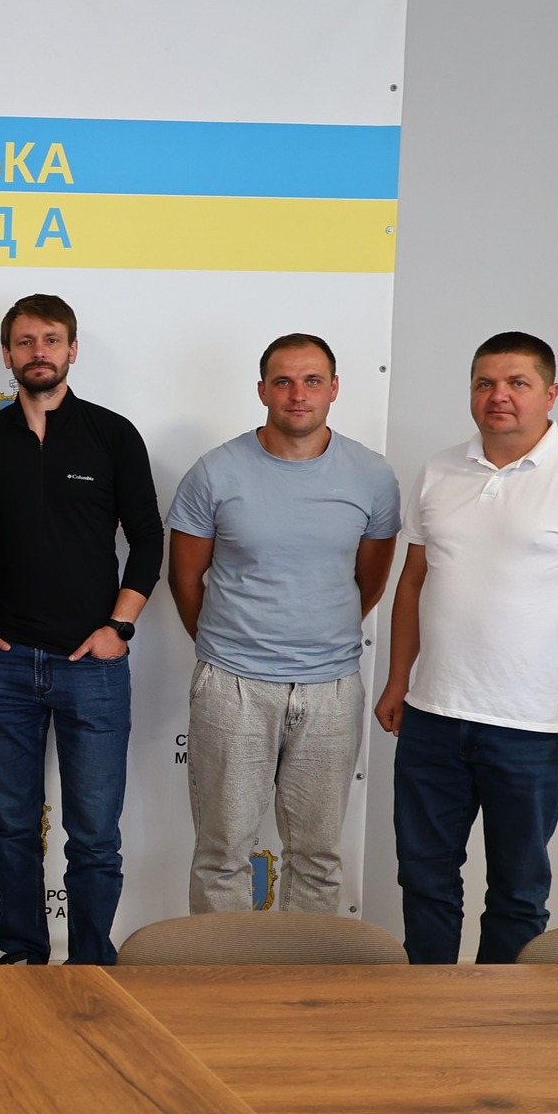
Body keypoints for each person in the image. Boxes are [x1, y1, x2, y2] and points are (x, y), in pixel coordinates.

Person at [376, 332, 558, 964]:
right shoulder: (440, 470)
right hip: (432, 718)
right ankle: (428, 1007)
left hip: (530, 727)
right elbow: (412, 583)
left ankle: (501, 1018)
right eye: (485, 383)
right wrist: (398, 681)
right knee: (424, 879)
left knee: (518, 892)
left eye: (517, 383)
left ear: (551, 394)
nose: (499, 396)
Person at [167, 334, 399, 914]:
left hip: (332, 688)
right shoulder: (215, 472)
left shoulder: (372, 475)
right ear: (263, 390)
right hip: (232, 686)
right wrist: (234, 644)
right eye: (284, 382)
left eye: (312, 381)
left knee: (317, 856)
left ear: (334, 389)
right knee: (223, 853)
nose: (299, 394)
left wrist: (316, 634)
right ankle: (226, 972)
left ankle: (303, 970)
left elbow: (369, 581)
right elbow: (185, 579)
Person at [0, 293, 161, 966]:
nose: (39, 352)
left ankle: (90, 967)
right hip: (3, 662)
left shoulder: (112, 434)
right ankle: (24, 957)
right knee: (13, 826)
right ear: (7, 354)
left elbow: (148, 540)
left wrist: (119, 627)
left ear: (72, 350)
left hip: (93, 666)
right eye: (25, 342)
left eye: (51, 340)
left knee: (95, 835)